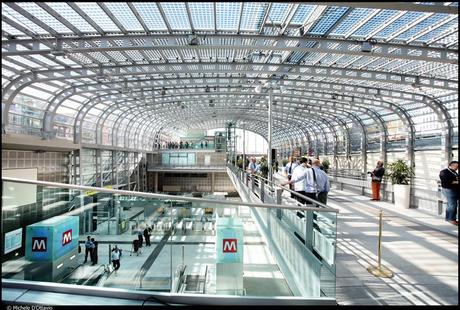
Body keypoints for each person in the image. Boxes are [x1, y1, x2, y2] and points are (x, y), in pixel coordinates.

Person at [439, 161, 459, 225]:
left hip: (453, 190)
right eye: (456, 166)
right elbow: (446, 181)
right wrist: (456, 182)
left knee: (449, 205)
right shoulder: (444, 172)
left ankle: (448, 218)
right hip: (448, 190)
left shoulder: (454, 172)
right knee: (453, 205)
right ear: (451, 165)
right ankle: (452, 219)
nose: (457, 168)